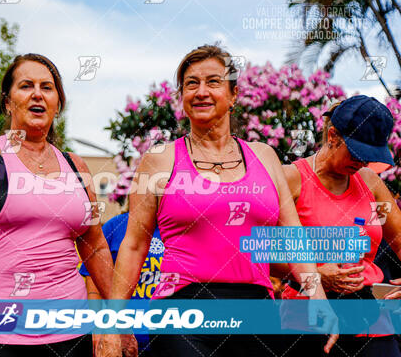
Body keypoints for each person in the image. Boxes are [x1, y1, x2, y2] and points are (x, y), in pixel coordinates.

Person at [97, 44, 337, 357]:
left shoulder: (264, 156)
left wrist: (317, 295)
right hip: (182, 310)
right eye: (191, 84)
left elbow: (291, 233)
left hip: (257, 312)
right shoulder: (159, 160)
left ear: (234, 94)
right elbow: (133, 245)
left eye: (213, 82)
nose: (201, 92)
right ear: (181, 98)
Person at [0, 53, 129, 357]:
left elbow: (94, 246)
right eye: (26, 86)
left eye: (47, 87)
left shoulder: (76, 167)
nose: (37, 94)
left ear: (57, 103)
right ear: (7, 101)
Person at [275, 95, 401, 356]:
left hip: (371, 322)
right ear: (333, 135)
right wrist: (317, 275)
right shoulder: (291, 179)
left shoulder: (370, 182)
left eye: (371, 155)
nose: (364, 163)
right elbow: (256, 255)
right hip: (307, 321)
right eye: (357, 153)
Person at [80, 208, 163, 356]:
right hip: (120, 335)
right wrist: (97, 326)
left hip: (170, 335)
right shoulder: (116, 226)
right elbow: (92, 277)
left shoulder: (180, 230)